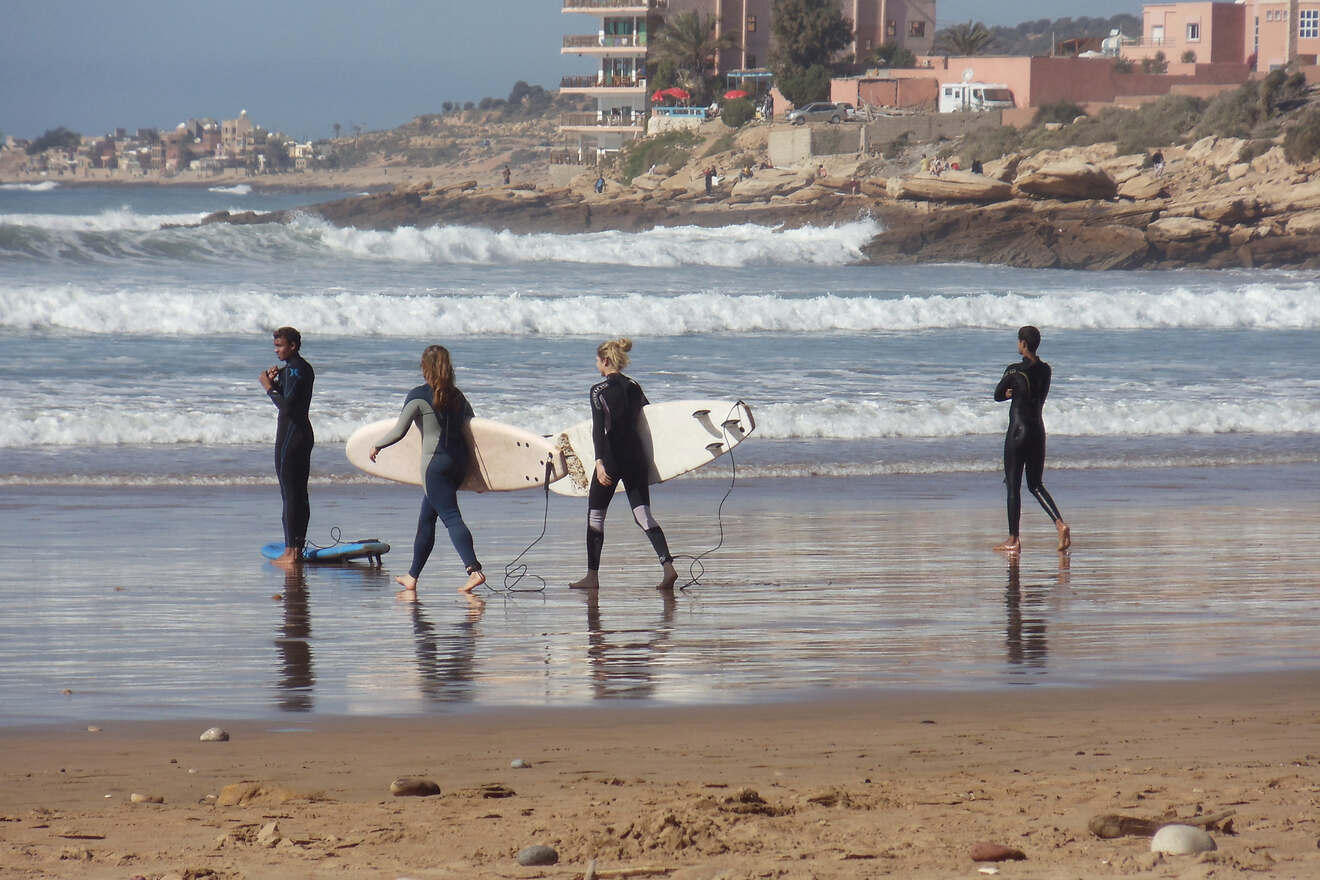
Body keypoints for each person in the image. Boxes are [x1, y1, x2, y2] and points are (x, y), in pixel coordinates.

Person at [371, 345, 485, 599]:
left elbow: (399, 430)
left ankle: (474, 569)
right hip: (459, 464)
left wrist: (377, 445)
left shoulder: (418, 396)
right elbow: (475, 432)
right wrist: (477, 475)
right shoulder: (458, 396)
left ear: (424, 367)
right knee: (426, 519)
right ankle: (412, 576)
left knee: (451, 517)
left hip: (434, 466)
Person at [569, 338, 678, 592]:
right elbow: (650, 422)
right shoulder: (634, 385)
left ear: (605, 361)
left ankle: (592, 577)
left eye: (597, 361)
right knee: (643, 514)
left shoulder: (598, 390)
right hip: (637, 457)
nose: (596, 365)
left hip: (613, 457)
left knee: (596, 515)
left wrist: (599, 462)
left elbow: (599, 430)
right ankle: (668, 566)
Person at [993, 326, 1071, 554]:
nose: (1018, 345)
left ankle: (1013, 540)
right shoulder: (1046, 370)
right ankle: (1060, 524)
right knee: (1035, 485)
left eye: (1019, 342)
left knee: (1013, 485)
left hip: (1018, 432)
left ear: (1023, 344)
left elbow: (997, 394)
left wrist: (1008, 392)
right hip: (1038, 431)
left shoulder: (1013, 371)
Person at [259, 326, 314, 566]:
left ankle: (291, 553)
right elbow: (294, 401)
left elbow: (287, 408)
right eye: (275, 346)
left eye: (280, 346)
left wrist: (267, 386)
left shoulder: (292, 370)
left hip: (290, 438)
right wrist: (277, 383)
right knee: (299, 495)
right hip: (303, 434)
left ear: (293, 346)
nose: (276, 351)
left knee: (289, 495)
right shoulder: (303, 368)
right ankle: (297, 549)